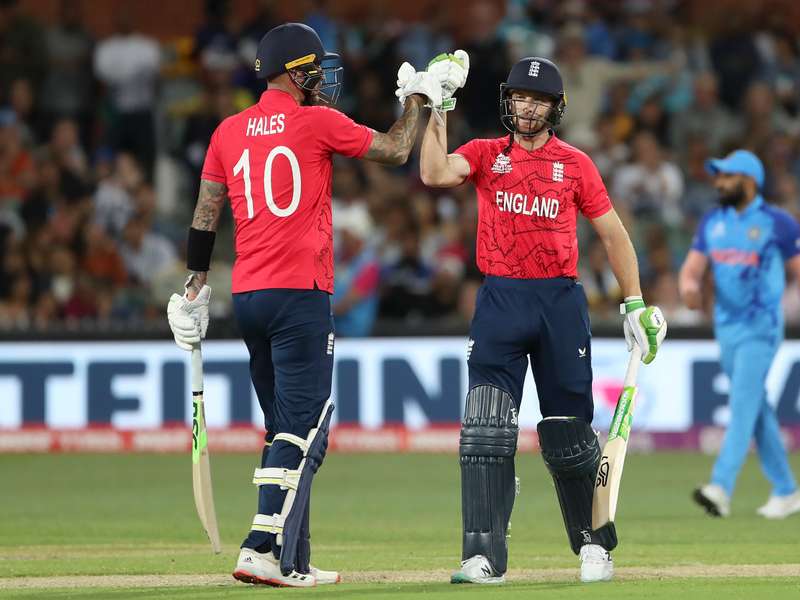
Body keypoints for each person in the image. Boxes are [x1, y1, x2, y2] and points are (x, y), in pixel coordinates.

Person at [165, 22, 442, 587]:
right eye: (314, 67)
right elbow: (395, 149)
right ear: (294, 73)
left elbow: (204, 215)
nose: (321, 77)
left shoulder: (227, 131)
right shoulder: (315, 120)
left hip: (248, 295)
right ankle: (261, 546)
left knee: (282, 427)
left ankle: (294, 558)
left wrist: (193, 284)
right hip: (300, 294)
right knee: (307, 425)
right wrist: (421, 99)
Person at [420, 53, 667, 584]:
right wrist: (437, 108)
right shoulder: (486, 153)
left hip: (559, 303)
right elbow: (435, 172)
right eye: (520, 98)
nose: (527, 108)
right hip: (500, 301)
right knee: (485, 428)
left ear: (556, 108)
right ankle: (483, 556)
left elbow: (614, 234)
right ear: (507, 101)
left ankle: (593, 544)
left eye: (539, 100)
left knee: (569, 435)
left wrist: (634, 302)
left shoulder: (575, 164)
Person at [678, 150, 800, 520]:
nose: (718, 184)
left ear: (749, 181)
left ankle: (720, 487)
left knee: (743, 404)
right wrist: (688, 289)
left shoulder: (778, 223)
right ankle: (787, 490)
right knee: (756, 407)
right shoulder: (713, 222)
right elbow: (691, 270)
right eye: (718, 176)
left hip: (762, 327)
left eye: (726, 177)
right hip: (726, 328)